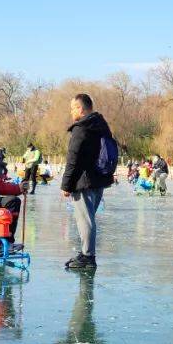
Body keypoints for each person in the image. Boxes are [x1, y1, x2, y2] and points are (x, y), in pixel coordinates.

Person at [61, 93, 116, 271]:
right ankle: (86, 253)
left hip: (83, 181)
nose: (71, 112)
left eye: (72, 108)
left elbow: (73, 159)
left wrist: (66, 185)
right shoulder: (101, 125)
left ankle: (88, 257)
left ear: (80, 108)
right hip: (100, 179)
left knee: (85, 220)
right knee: (89, 218)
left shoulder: (81, 128)